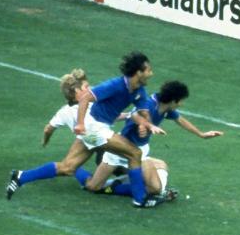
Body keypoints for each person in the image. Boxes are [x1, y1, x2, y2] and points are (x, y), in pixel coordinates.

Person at [6, 52, 167, 208]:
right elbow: (85, 98)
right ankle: (140, 199)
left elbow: (144, 112)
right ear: (138, 72)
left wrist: (148, 125)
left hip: (95, 130)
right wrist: (81, 124)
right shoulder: (115, 85)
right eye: (149, 70)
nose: (151, 74)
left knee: (68, 168)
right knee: (135, 153)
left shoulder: (139, 91)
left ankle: (21, 176)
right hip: (94, 128)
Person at [75, 80, 224, 198]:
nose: (181, 104)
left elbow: (180, 120)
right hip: (121, 149)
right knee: (92, 187)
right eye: (180, 101)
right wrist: (142, 125)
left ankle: (115, 185)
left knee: (155, 188)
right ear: (173, 100)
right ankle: (75, 169)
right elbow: (134, 114)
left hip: (140, 152)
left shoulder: (166, 108)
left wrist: (201, 134)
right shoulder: (149, 104)